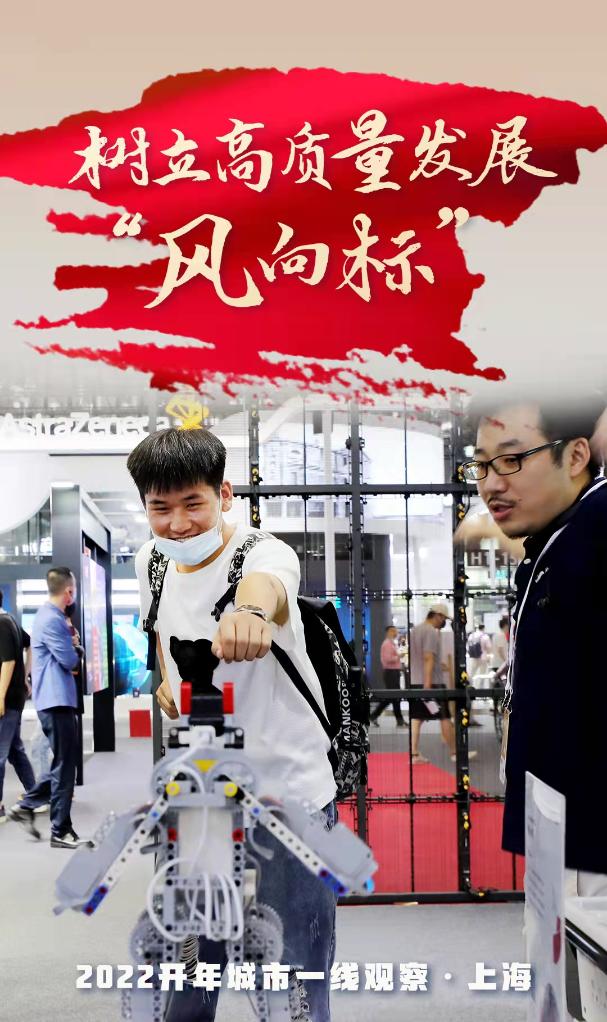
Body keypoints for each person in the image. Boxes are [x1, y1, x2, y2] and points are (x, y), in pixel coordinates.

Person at [127, 426, 338, 1022]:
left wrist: (248, 613)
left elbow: (266, 589)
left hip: (287, 792)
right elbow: (161, 633)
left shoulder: (264, 552)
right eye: (160, 508)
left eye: (192, 503)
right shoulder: (152, 561)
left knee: (294, 969)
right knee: (188, 965)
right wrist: (168, 681)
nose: (178, 524)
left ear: (224, 495)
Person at [467, 394, 607, 1019]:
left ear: (576, 455)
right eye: (480, 465)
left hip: (594, 840)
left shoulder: (597, 528)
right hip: (558, 834)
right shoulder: (556, 542)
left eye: (512, 459)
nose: (491, 483)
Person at [8, 567, 91, 849]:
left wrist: (72, 646)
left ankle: (27, 805)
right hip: (55, 701)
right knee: (65, 766)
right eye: (74, 590)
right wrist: (77, 649)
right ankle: (60, 830)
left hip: (56, 700)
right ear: (69, 592)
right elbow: (69, 660)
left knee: (63, 763)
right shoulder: (52, 619)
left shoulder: (49, 617)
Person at [0, 592, 36, 823]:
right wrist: (25, 675)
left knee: (0, 753)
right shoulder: (10, 619)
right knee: (14, 750)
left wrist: (0, 697)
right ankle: (35, 795)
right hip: (14, 697)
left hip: (8, 700)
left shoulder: (2, 624)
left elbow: (8, 662)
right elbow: (30, 644)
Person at [408, 604, 459, 765]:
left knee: (417, 718)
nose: (444, 622)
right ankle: (455, 753)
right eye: (444, 619)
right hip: (431, 684)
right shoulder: (430, 631)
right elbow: (428, 657)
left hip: (415, 681)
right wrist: (428, 684)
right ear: (437, 616)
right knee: (444, 717)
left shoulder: (415, 630)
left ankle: (414, 754)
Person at [370, 624, 407, 727]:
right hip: (390, 673)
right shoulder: (387, 644)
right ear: (389, 632)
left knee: (394, 697)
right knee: (393, 696)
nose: (396, 633)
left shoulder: (392, 643)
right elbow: (387, 660)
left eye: (396, 631)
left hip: (394, 673)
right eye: (393, 631)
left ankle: (398, 720)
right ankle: (375, 716)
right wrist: (399, 656)